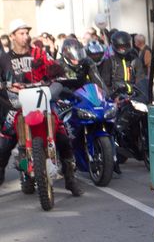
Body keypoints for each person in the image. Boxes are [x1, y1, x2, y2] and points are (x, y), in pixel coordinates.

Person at [0, 19, 82, 194]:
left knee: (63, 137)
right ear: (12, 36)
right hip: (17, 106)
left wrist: (60, 76)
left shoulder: (38, 54)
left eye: (27, 33)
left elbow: (56, 69)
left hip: (42, 103)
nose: (26, 36)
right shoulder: (4, 59)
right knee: (4, 144)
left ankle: (70, 179)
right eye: (21, 33)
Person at [101, 31, 143, 96]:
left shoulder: (134, 60)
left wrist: (139, 91)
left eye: (126, 46)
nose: (123, 49)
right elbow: (105, 83)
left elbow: (141, 78)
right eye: (121, 47)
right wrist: (113, 94)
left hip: (134, 95)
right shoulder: (109, 61)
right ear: (115, 46)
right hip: (116, 96)